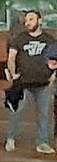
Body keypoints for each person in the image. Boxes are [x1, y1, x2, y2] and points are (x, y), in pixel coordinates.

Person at [5, 10, 55, 154]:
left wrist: (53, 75)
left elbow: (55, 59)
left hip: (43, 84)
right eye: (26, 20)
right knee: (16, 112)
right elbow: (11, 57)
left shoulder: (49, 39)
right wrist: (13, 73)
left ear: (40, 21)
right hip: (23, 84)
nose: (28, 23)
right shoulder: (20, 39)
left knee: (44, 114)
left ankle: (42, 142)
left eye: (31, 19)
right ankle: (10, 138)